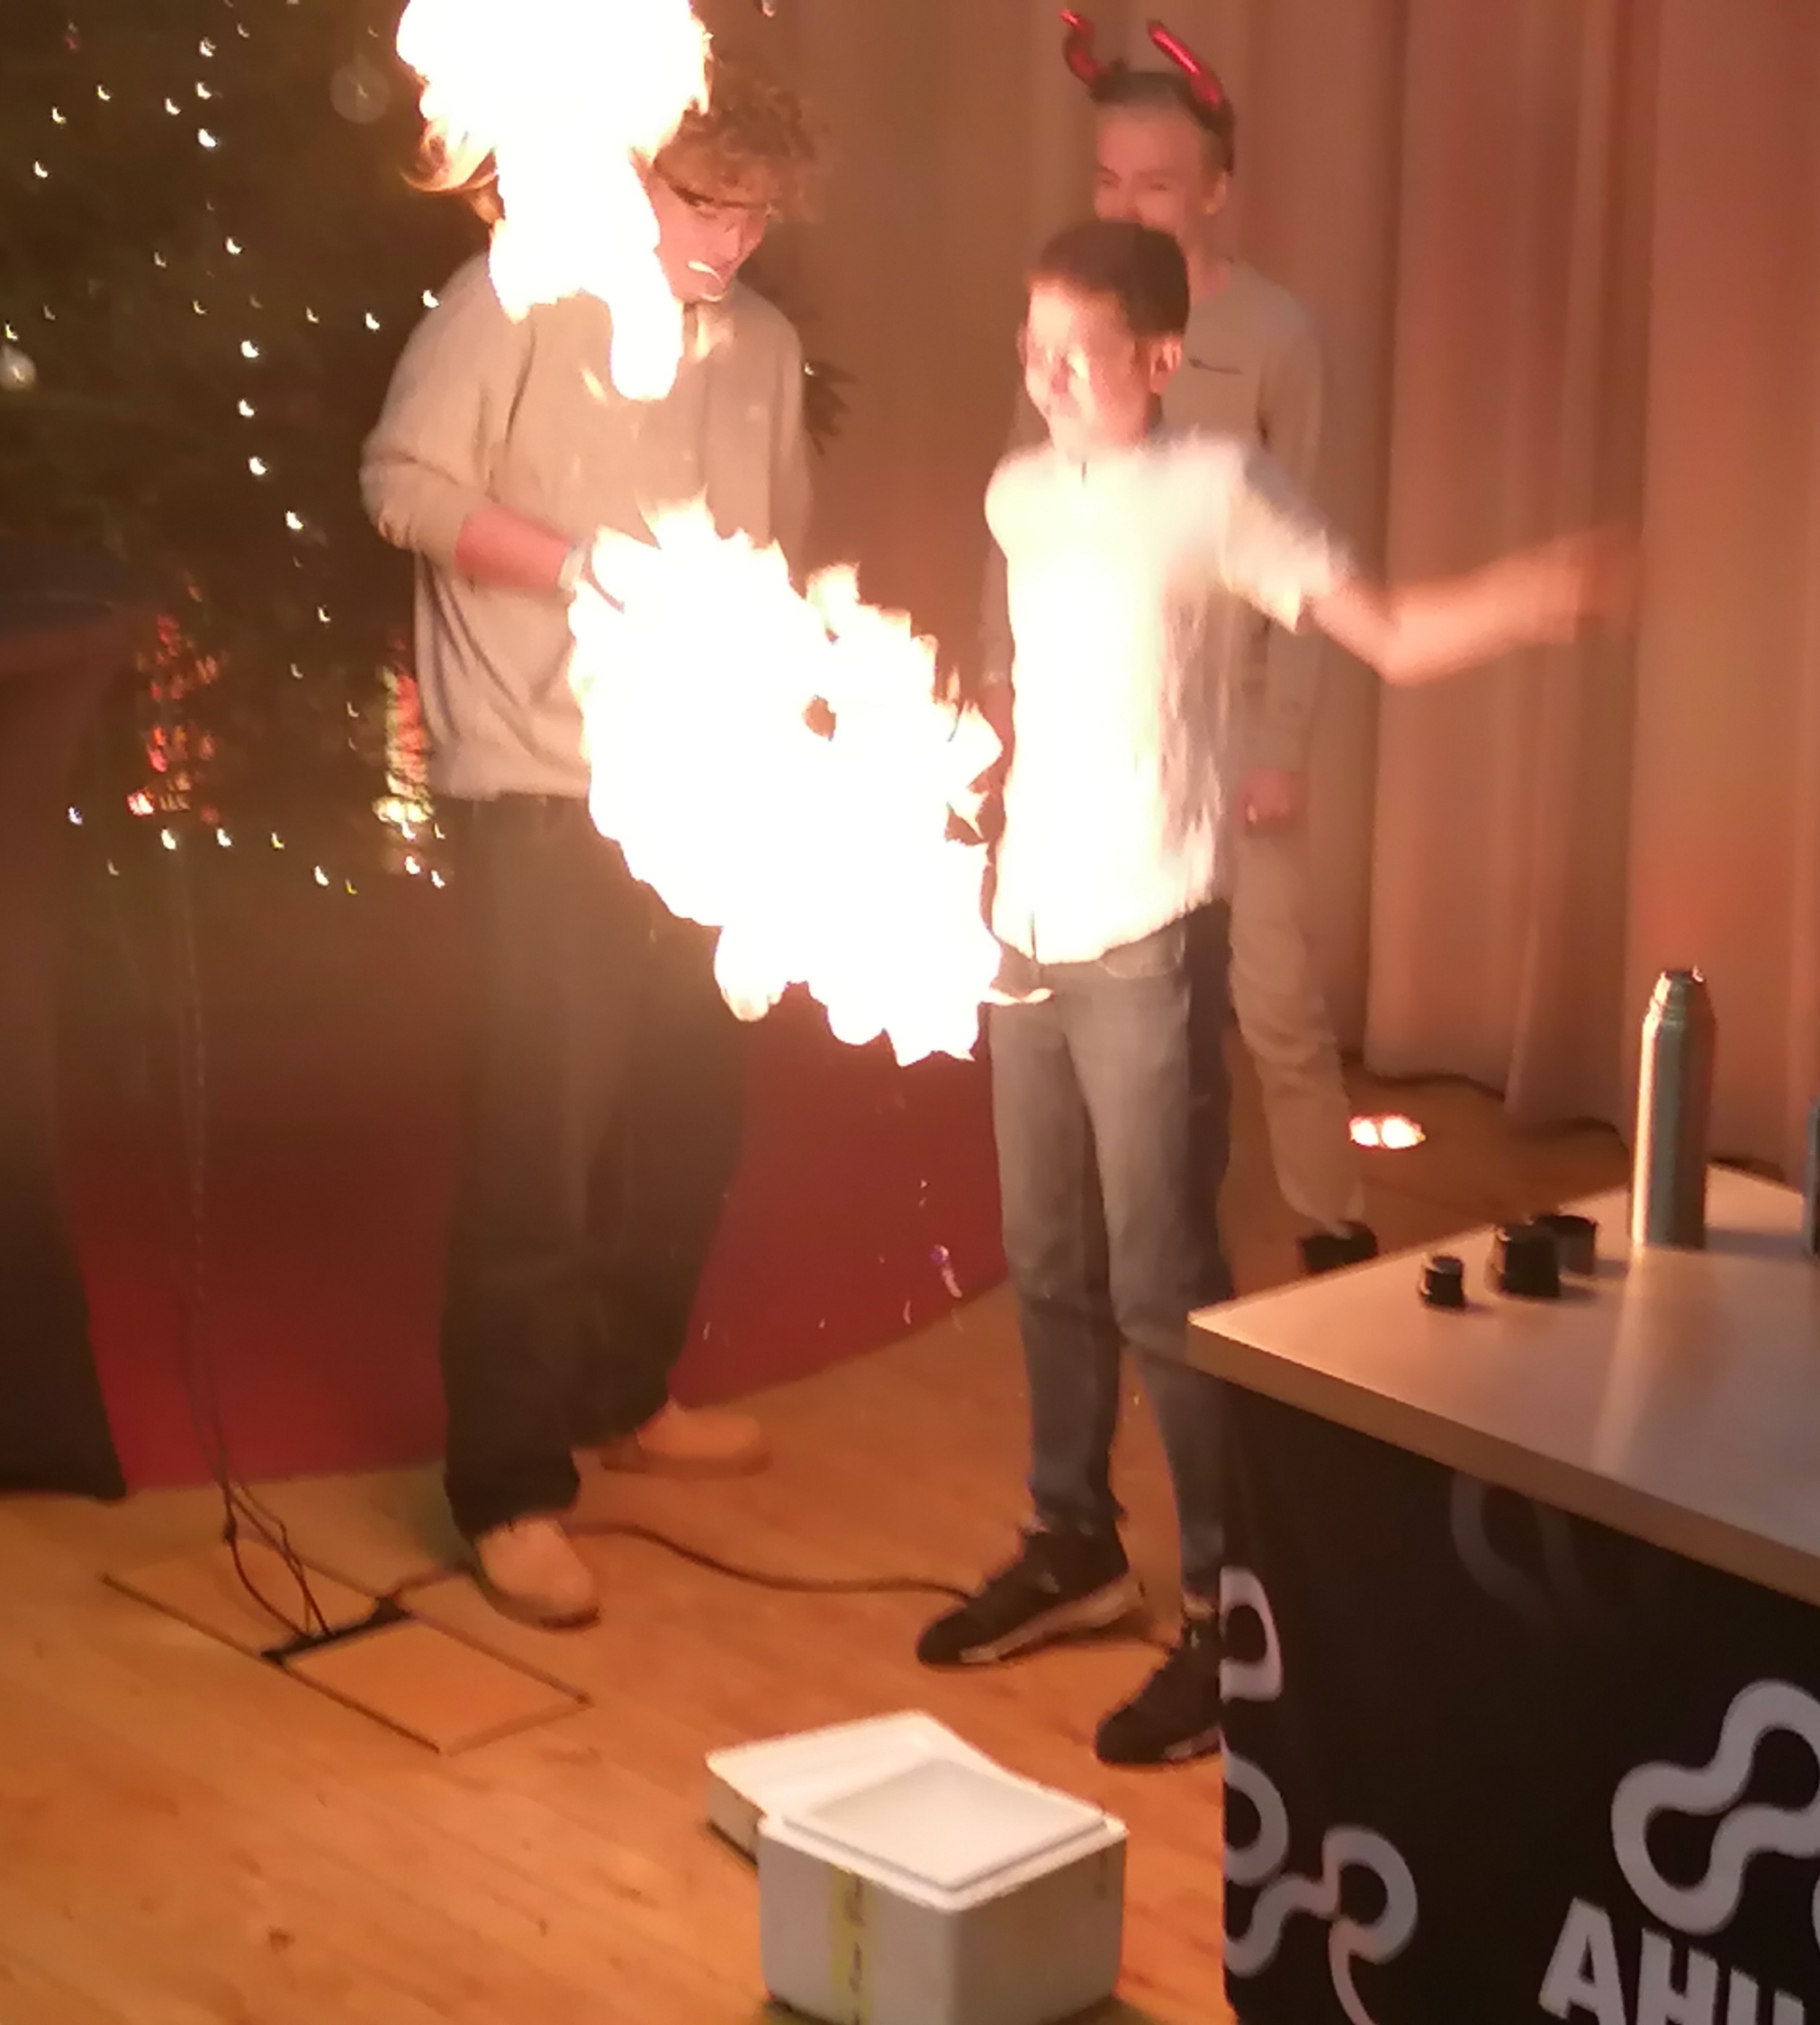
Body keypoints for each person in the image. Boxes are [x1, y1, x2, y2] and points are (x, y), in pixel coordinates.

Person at [923, 219, 1620, 1765]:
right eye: (1032, 344)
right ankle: (1073, 1539)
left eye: (1079, 351)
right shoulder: (1020, 492)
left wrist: (1526, 596)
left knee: (1162, 1280)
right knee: (1046, 1255)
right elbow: (1014, 679)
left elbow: (1389, 631)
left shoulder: (1219, 486)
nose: (1046, 375)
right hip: (1025, 927)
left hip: (1149, 931)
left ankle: (1226, 1614)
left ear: (1161, 357)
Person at [360, 56, 820, 1630]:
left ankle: (625, 1389)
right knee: (540, 1138)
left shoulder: (764, 349)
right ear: (636, 173)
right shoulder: (513, 298)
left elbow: (776, 552)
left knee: (689, 1112)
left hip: (710, 790)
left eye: (759, 216)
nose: (732, 241)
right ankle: (507, 1484)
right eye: (707, 204)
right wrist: (585, 570)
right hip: (541, 781)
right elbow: (403, 487)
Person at [1018, 18, 1381, 1279]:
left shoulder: (1276, 336)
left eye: (1158, 185)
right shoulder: (1073, 329)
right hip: (1113, 740)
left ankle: (1335, 1229)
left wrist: (1280, 742)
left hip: (1232, 722)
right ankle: (1168, 1250)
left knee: (1271, 994)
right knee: (1139, 1017)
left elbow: (1314, 556)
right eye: (1109, 182)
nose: (1129, 207)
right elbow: (1034, 509)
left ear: (1215, 191)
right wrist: (1007, 681)